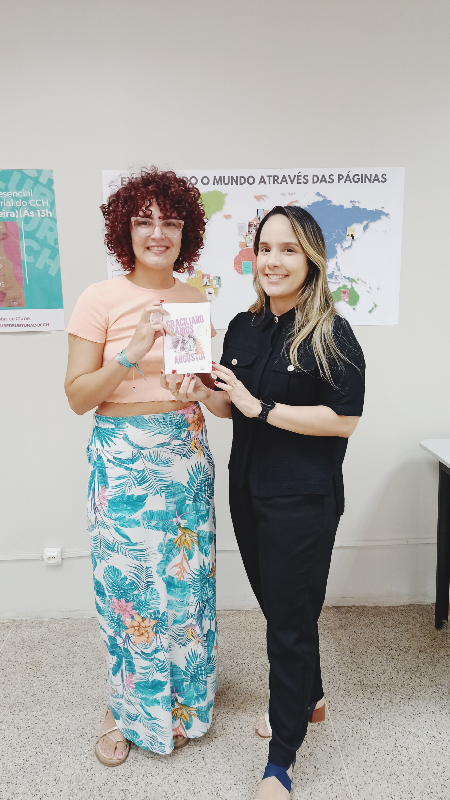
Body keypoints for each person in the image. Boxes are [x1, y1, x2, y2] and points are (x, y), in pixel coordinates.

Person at [162, 205, 365, 799]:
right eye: (266, 249)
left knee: (287, 626)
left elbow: (344, 419)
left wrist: (263, 408)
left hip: (301, 498)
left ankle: (281, 761)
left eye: (289, 250)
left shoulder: (330, 332)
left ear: (312, 260)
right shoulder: (242, 327)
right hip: (248, 489)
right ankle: (312, 698)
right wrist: (204, 393)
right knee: (285, 610)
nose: (273, 261)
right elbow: (232, 405)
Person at [64, 168, 217, 766]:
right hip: (123, 460)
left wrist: (195, 386)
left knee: (185, 585)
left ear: (186, 233)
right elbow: (78, 396)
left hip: (185, 452)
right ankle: (126, 708)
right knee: (129, 589)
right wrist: (130, 353)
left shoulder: (193, 298)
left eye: (171, 221)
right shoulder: (99, 299)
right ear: (123, 231)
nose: (158, 232)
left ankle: (182, 705)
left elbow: (199, 385)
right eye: (144, 220)